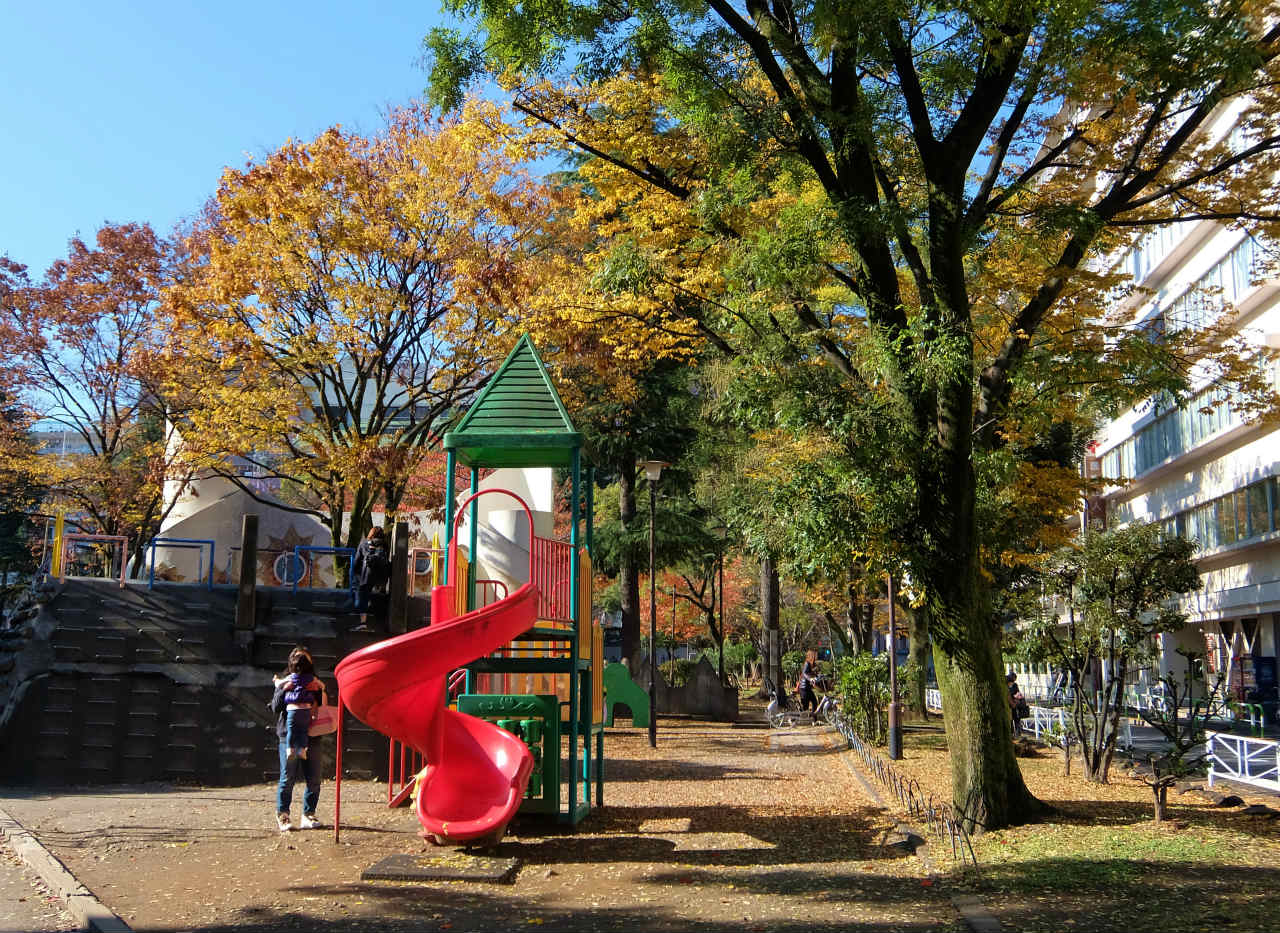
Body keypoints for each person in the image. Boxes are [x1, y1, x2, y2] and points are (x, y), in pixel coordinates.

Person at [271, 646, 328, 832]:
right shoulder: (286, 680)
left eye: (305, 658)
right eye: (298, 658)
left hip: (313, 734)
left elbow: (325, 702)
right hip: (288, 735)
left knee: (314, 778)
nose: (301, 662)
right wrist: (283, 690)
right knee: (288, 777)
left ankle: (308, 814)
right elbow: (275, 707)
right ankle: (283, 815)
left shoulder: (314, 681)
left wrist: (317, 691)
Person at [351, 526, 391, 632]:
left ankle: (363, 623)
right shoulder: (385, 545)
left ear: (371, 534)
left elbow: (356, 563)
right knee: (378, 595)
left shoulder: (364, 544)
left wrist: (356, 575)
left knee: (362, 594)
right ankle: (379, 622)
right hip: (381, 578)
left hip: (367, 576)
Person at [1007, 671, 1026, 737]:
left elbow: (1017, 692)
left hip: (1015, 704)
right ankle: (1011, 733)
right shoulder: (1006, 685)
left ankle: (1018, 733)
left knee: (1017, 719)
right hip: (1009, 705)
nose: (1014, 680)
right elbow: (1008, 695)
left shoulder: (1015, 685)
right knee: (1010, 720)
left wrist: (1018, 697)